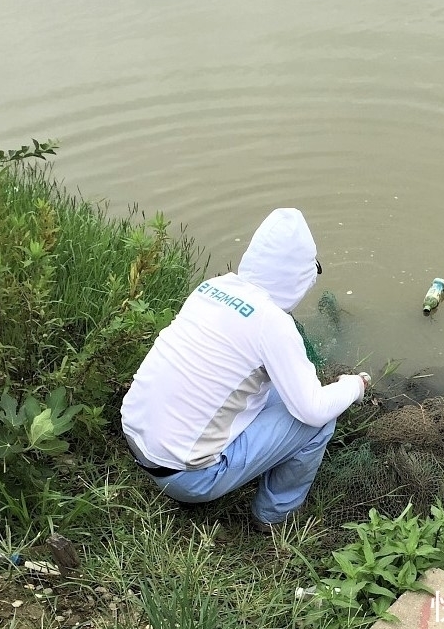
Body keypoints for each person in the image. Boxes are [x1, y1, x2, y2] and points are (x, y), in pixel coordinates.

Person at [120, 207, 368, 530]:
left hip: (137, 437)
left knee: (277, 388)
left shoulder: (212, 287)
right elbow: (313, 408)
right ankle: (274, 517)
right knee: (318, 421)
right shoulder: (273, 323)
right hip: (185, 477)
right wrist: (354, 386)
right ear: (299, 276)